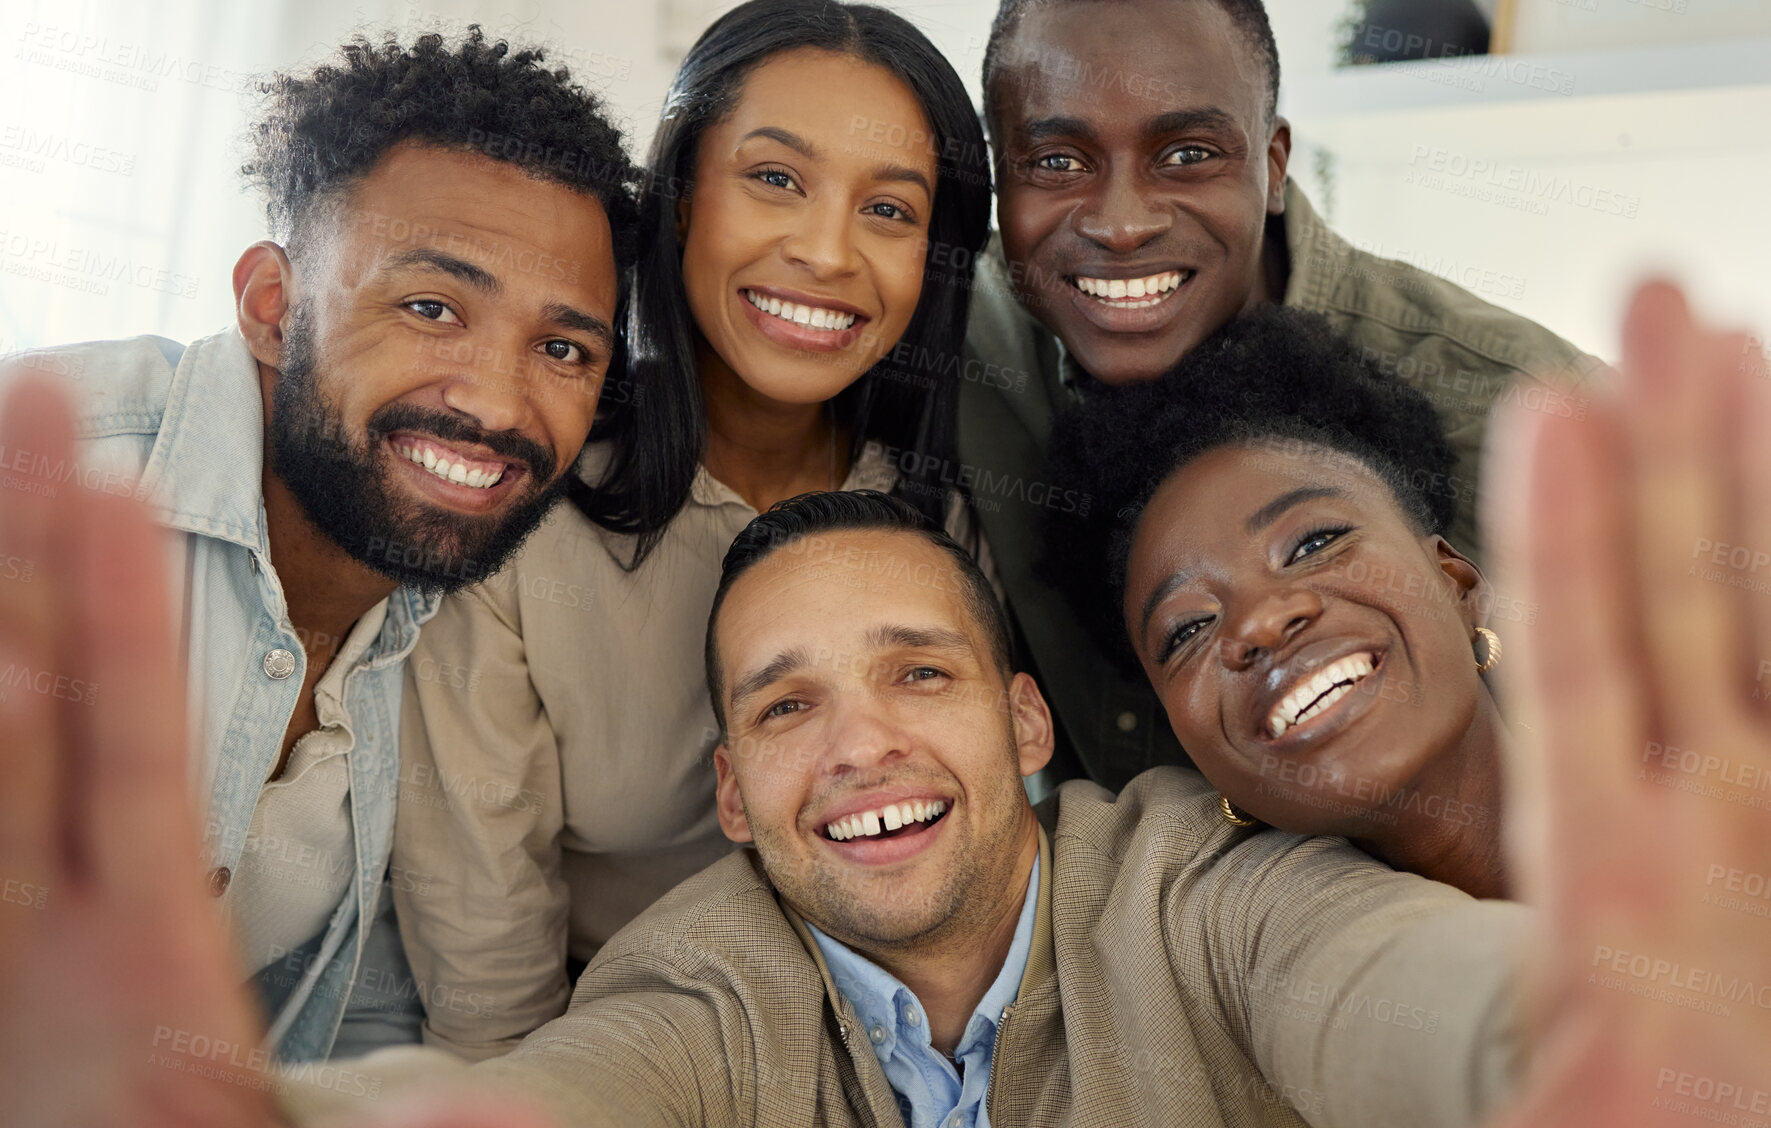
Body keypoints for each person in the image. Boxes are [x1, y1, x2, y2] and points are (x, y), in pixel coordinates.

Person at [2, 279, 1765, 1128]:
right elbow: (554, 1100)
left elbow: (1425, 1002)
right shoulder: (707, 976)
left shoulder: (1203, 886)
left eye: (916, 673)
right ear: (737, 795)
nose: (858, 740)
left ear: (1022, 721)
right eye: (784, 709)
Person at [0, 28, 669, 1062]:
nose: (496, 402)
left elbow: (354, 1017)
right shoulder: (44, 483)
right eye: (432, 307)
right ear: (273, 307)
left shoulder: (466, 614)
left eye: (561, 348)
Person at [392, 0, 993, 1059]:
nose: (824, 251)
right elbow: (483, 936)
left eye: (890, 211)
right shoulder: (522, 499)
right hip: (612, 1047)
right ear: (678, 202)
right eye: (774, 180)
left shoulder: (937, 520)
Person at [958, 0, 1607, 789]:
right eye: (1057, 162)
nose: (1121, 225)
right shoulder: (946, 337)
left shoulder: (1530, 414)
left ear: (1271, 165)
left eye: (1187, 152)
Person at [1042, 305, 1508, 897]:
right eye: (1187, 630)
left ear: (1456, 585)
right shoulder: (1222, 978)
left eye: (1314, 543)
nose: (1260, 621)